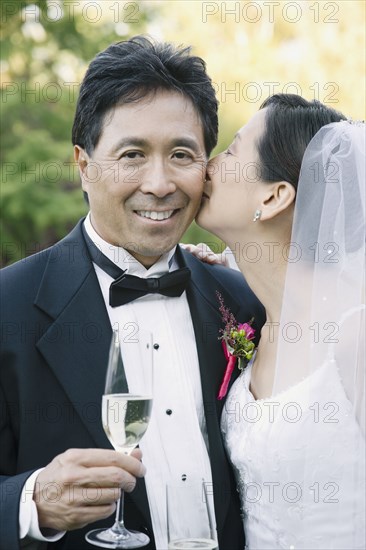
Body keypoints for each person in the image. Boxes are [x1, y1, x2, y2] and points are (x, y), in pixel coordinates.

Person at [0, 36, 265, 550]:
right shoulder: (7, 306)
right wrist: (30, 502)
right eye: (132, 154)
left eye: (182, 154)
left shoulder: (246, 302)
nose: (161, 183)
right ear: (83, 164)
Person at [196, 94, 365, 549]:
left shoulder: (355, 336)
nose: (206, 165)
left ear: (273, 196)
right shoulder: (253, 317)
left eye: (231, 151)